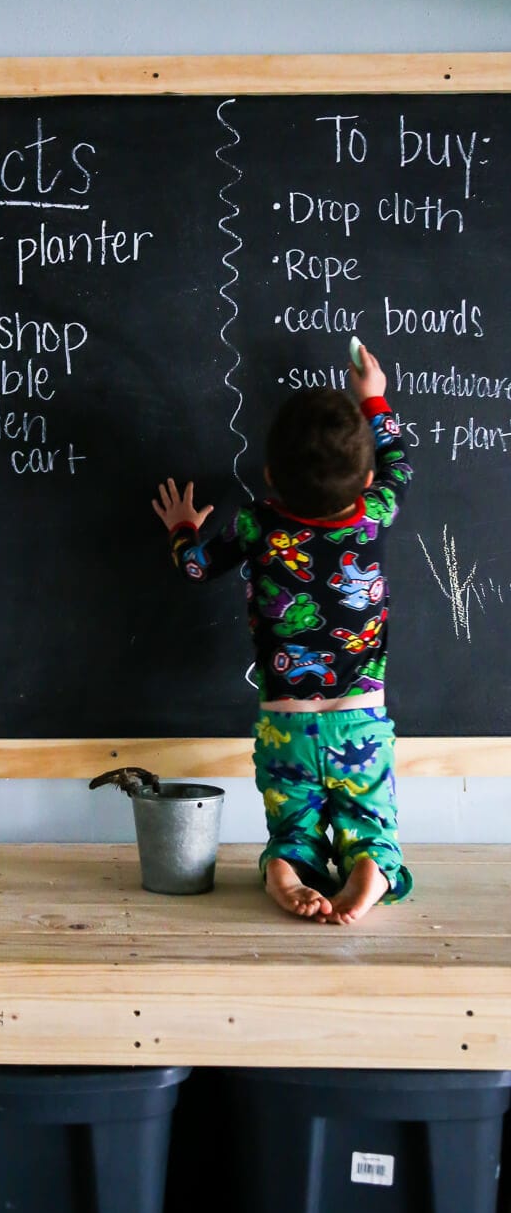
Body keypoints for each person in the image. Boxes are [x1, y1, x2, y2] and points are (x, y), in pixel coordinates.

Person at [153, 343, 413, 924]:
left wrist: (182, 530)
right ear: (366, 480)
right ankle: (369, 865)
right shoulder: (377, 510)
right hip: (360, 717)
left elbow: (195, 566)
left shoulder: (256, 523)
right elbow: (400, 462)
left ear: (270, 477)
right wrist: (373, 396)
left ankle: (286, 868)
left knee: (293, 824)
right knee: (371, 821)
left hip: (286, 722)